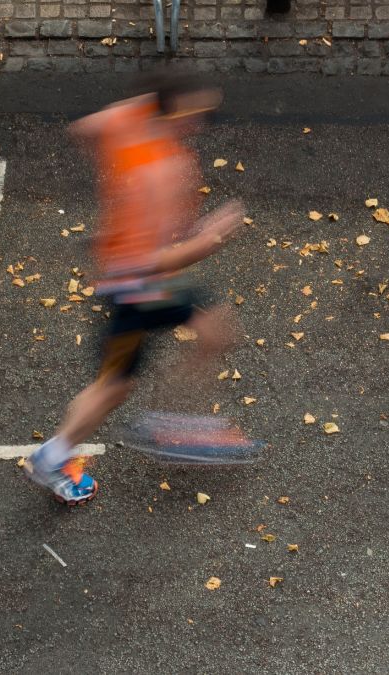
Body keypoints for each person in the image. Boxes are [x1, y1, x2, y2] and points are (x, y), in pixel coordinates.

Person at [25, 71, 249, 505]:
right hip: (136, 287)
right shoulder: (163, 172)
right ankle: (55, 456)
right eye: (198, 113)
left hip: (130, 278)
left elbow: (84, 128)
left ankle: (170, 419)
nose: (202, 122)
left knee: (215, 330)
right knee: (113, 387)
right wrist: (208, 240)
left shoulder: (130, 121)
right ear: (177, 112)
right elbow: (149, 260)